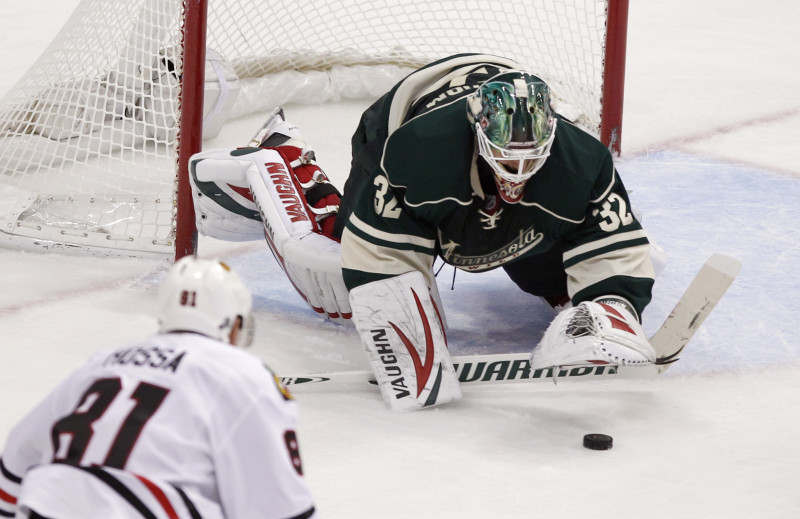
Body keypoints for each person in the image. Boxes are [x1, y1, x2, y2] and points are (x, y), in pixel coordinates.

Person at [187, 53, 666, 412]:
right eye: (507, 162)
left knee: (556, 248)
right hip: (402, 116)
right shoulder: (416, 153)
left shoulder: (581, 160)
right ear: (478, 134)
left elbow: (612, 247)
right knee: (333, 276)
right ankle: (279, 158)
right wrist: (407, 329)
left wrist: (608, 303)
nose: (516, 176)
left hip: (484, 132)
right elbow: (378, 260)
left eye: (530, 161)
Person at [0, 257, 319, 519]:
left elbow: (19, 450)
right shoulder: (244, 375)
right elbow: (279, 508)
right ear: (234, 324)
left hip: (49, 504)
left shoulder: (104, 362)